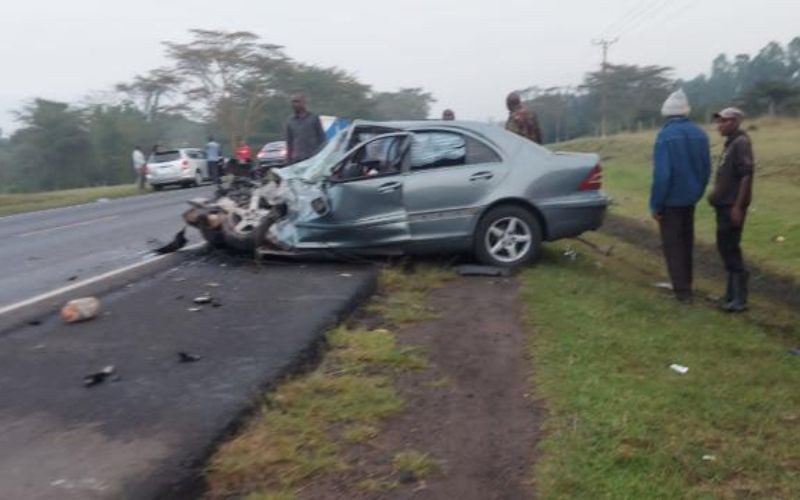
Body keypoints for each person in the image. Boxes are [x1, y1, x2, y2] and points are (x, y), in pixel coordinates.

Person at [649, 88, 711, 303]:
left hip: (670, 201)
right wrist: (698, 192)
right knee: (686, 242)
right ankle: (687, 283)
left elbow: (662, 175)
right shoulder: (700, 134)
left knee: (673, 245)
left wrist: (655, 204)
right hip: (690, 199)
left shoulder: (665, 136)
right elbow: (706, 170)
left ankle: (682, 292)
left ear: (666, 113)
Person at [708, 107, 754, 312]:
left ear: (735, 121)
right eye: (719, 122)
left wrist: (737, 206)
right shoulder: (731, 143)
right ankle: (731, 294)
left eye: (724, 121)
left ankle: (740, 299)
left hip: (731, 207)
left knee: (730, 248)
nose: (720, 125)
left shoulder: (741, 143)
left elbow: (746, 175)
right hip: (723, 204)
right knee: (725, 247)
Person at [285, 93, 326, 164]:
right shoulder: (290, 121)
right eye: (292, 102)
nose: (294, 104)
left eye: (297, 101)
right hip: (297, 159)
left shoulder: (313, 118)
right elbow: (289, 142)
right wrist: (288, 159)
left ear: (303, 103)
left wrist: (322, 155)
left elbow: (322, 138)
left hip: (313, 158)